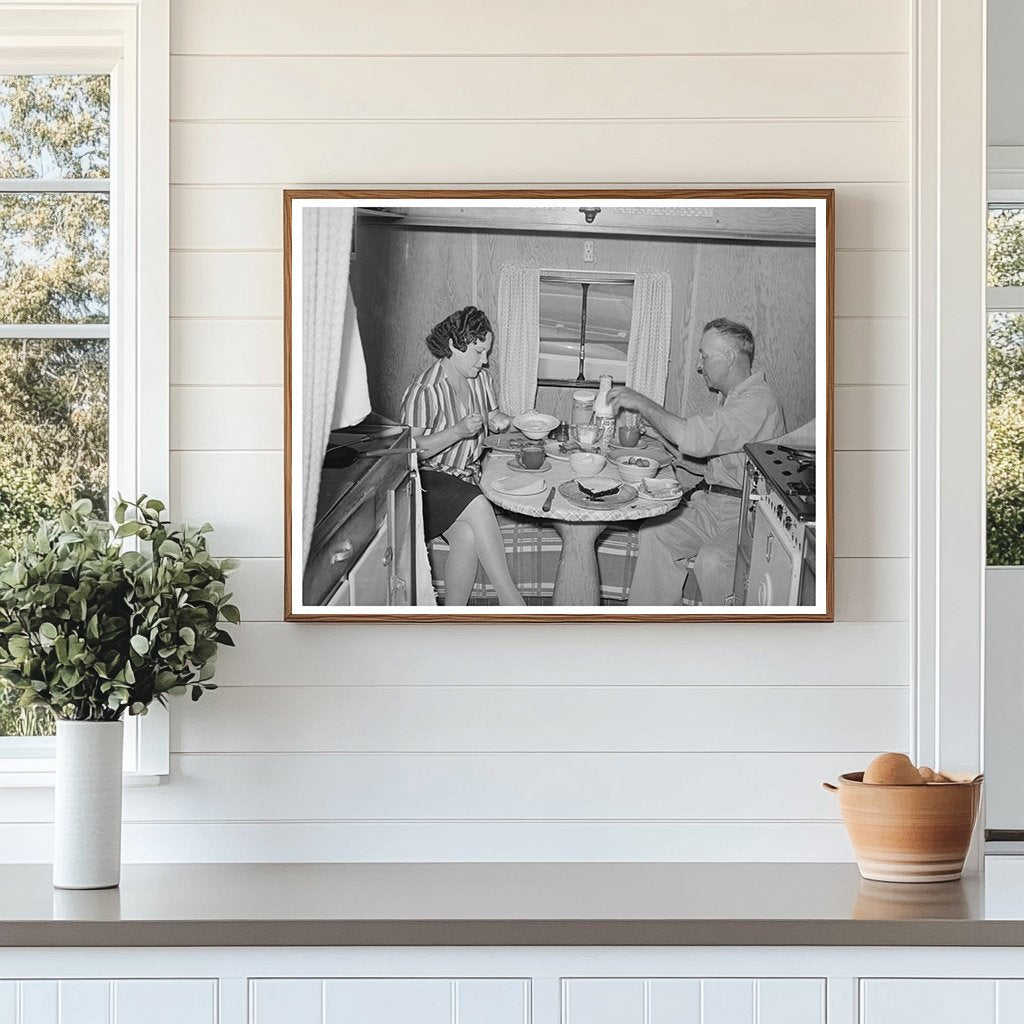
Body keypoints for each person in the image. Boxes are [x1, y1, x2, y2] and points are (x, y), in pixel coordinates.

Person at [610, 318, 786, 606]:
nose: (699, 365)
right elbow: (716, 467)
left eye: (705, 355)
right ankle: (649, 628)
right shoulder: (732, 399)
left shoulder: (758, 403)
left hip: (747, 514)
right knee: (656, 532)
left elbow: (696, 439)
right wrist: (660, 435)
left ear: (729, 358)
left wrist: (642, 402)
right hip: (714, 505)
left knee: (713, 559)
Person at [400, 306, 525, 606]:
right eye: (479, 352)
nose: (485, 361)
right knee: (479, 503)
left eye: (487, 352)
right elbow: (408, 453)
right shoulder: (425, 390)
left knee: (467, 538)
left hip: (464, 479)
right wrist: (456, 432)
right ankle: (514, 604)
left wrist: (503, 420)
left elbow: (493, 415)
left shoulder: (479, 379)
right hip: (425, 483)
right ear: (455, 345)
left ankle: (453, 619)